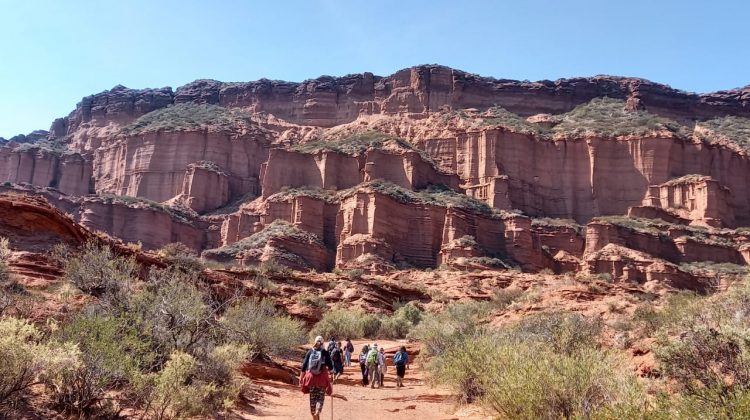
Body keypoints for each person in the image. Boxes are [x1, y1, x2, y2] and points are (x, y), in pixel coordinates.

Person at [300, 336, 333, 420]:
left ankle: (314, 412)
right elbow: (330, 366)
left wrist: (301, 377)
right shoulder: (325, 352)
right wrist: (331, 375)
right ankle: (318, 410)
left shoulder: (310, 351)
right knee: (320, 398)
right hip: (322, 378)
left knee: (312, 398)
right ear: (322, 343)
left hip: (311, 378)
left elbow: (304, 366)